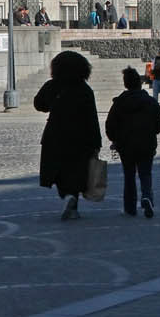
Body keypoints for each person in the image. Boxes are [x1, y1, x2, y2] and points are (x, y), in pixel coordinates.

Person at [35, 49, 102, 221]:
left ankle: (66, 196)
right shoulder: (85, 90)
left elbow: (39, 104)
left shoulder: (53, 86)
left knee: (58, 171)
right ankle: (73, 201)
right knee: (77, 171)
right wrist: (97, 143)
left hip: (55, 135)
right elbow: (92, 117)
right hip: (81, 137)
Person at [105, 66, 160, 217]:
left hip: (126, 146)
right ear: (140, 83)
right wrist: (151, 132)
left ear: (126, 84)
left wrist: (115, 139)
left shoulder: (119, 103)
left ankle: (130, 207)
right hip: (146, 143)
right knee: (145, 173)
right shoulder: (150, 102)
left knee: (129, 175)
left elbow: (110, 125)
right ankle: (147, 197)